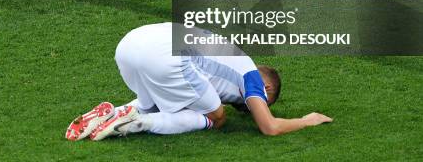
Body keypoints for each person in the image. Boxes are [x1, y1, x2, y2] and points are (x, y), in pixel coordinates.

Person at [66, 22, 332, 141]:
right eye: (263, 101)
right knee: (216, 117)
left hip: (129, 44)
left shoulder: (229, 54)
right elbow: (270, 127)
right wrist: (307, 120)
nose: (252, 107)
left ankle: (119, 111)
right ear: (267, 89)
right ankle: (139, 123)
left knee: (163, 100)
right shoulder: (251, 76)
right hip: (168, 57)